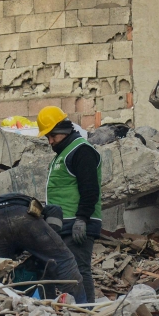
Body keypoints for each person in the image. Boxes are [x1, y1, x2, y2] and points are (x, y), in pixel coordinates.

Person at [37, 106, 101, 304]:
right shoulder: (64, 153)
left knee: (79, 269)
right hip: (65, 224)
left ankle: (86, 310)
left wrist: (82, 219)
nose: (50, 141)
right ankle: (71, 308)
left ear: (63, 130)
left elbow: (90, 189)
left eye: (52, 136)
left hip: (78, 224)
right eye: (47, 137)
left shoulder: (82, 151)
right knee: (59, 269)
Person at [0, 193, 83, 299]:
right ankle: (81, 306)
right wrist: (50, 243)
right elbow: (55, 209)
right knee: (64, 261)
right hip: (23, 214)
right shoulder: (43, 208)